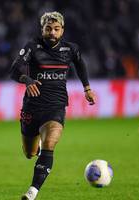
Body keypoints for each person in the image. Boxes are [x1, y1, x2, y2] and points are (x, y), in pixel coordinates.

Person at [9, 12, 95, 200]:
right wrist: (27, 79)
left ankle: (32, 192)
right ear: (43, 29)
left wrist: (87, 88)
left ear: (62, 30)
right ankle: (36, 145)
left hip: (56, 107)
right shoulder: (32, 47)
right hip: (32, 107)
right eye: (48, 28)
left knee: (50, 144)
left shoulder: (70, 49)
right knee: (30, 153)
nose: (52, 32)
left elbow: (81, 64)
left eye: (56, 29)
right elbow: (14, 70)